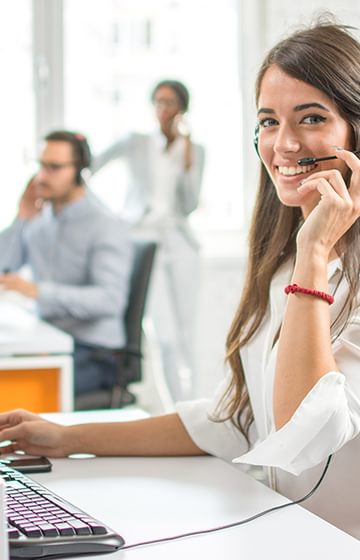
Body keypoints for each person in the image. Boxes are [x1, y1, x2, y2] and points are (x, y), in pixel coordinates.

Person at [1, 18, 360, 539]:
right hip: (295, 534)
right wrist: (68, 436)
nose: (282, 144)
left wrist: (314, 253)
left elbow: (304, 438)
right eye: (267, 121)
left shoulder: (310, 257)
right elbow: (239, 419)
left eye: (310, 118)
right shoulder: (284, 258)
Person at [92, 80, 205, 400]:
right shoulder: (135, 142)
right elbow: (89, 167)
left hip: (179, 241)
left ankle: (193, 404)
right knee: (164, 334)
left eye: (169, 102)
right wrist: (114, 218)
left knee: (186, 332)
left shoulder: (194, 150)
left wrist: (186, 163)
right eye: (157, 102)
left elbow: (190, 204)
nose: (162, 109)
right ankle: (173, 408)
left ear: (182, 109)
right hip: (143, 238)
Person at [0, 130, 133, 397]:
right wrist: (22, 217)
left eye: (54, 168)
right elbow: (5, 266)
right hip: (49, 341)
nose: (42, 176)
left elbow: (110, 300)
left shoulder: (105, 225)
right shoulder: (40, 219)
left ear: (80, 171)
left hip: (95, 353)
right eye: (41, 166)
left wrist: (37, 291)